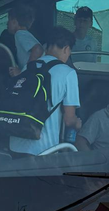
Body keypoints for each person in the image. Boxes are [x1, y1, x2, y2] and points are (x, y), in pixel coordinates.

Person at [10, 26, 81, 156]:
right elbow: (69, 120)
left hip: (15, 144)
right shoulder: (68, 73)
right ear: (66, 49)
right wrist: (77, 124)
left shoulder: (29, 67)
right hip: (44, 149)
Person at [5, 4, 44, 75]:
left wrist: (24, 72)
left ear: (15, 21)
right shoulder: (25, 34)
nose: (7, 23)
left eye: (9, 19)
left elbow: (38, 49)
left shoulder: (20, 34)